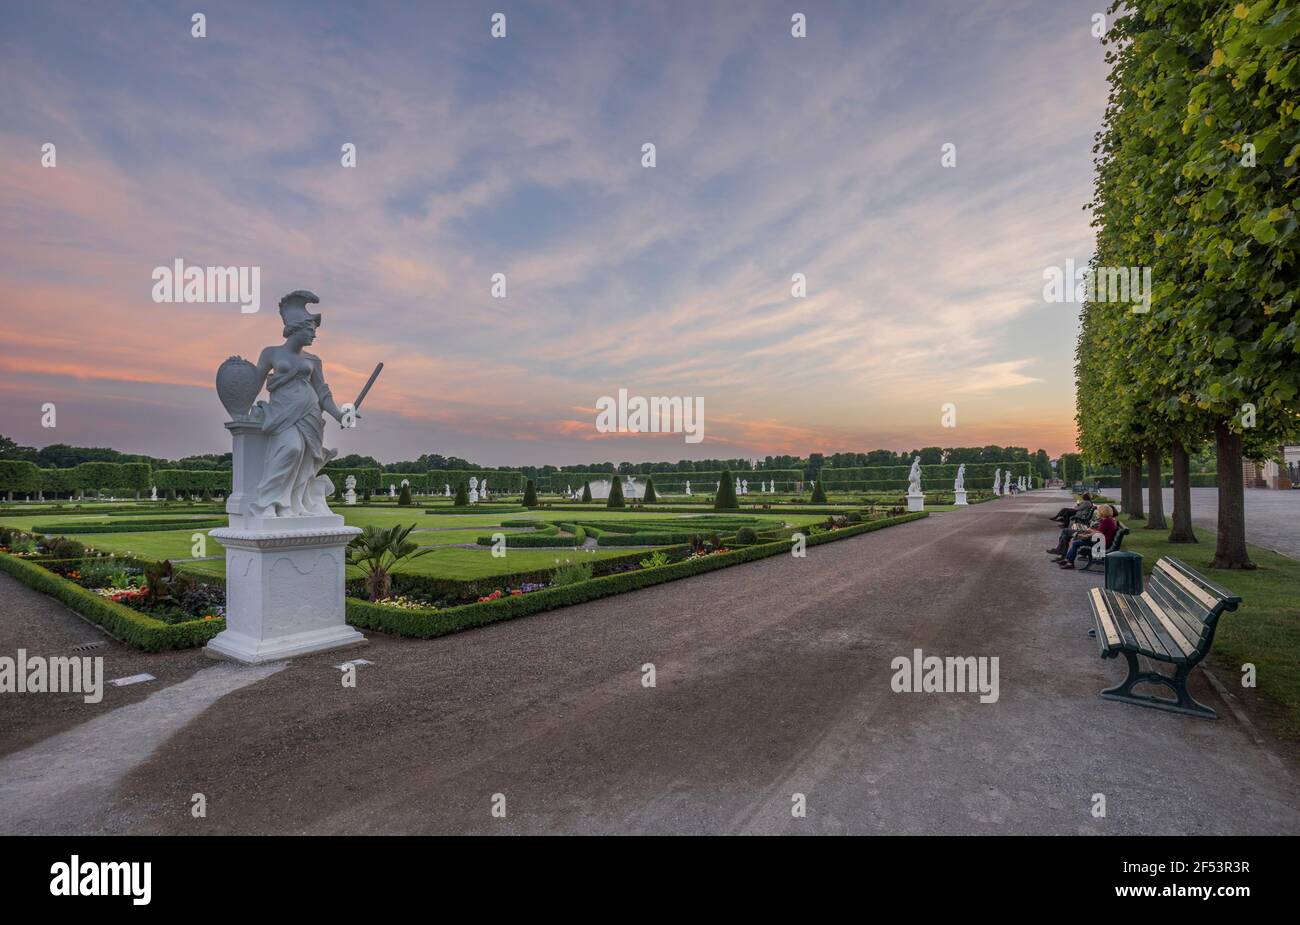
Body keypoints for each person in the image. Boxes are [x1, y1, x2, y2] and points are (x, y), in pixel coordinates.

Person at [1056, 504, 1118, 569]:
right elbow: (1099, 533)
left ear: (1102, 512)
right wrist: (1087, 534)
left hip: (1100, 543)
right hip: (1100, 541)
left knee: (1076, 542)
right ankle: (1068, 559)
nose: (1098, 512)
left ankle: (1070, 562)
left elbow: (1098, 533)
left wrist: (1086, 535)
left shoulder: (1106, 521)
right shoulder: (1108, 520)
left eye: (1099, 511)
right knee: (1077, 540)